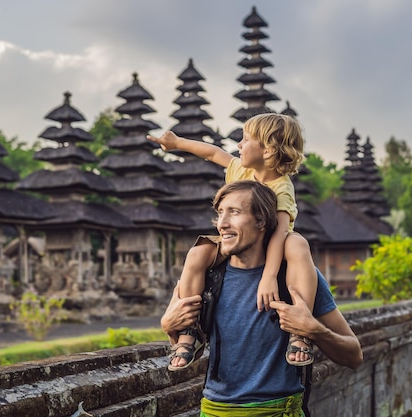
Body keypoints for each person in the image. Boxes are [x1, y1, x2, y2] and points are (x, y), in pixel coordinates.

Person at [161, 180, 363, 416]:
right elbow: (187, 348)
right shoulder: (209, 277)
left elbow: (354, 356)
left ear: (261, 221)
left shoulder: (296, 277)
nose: (222, 224)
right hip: (215, 410)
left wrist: (314, 330)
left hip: (278, 410)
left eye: (234, 212)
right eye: (220, 213)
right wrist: (168, 327)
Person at [147, 113, 318, 370]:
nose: (239, 145)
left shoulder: (282, 188)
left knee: (297, 243)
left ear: (269, 150)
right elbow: (213, 153)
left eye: (245, 139)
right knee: (197, 253)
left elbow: (280, 234)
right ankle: (189, 330)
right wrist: (177, 143)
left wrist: (269, 276)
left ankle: (300, 330)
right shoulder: (242, 170)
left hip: (276, 244)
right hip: (237, 241)